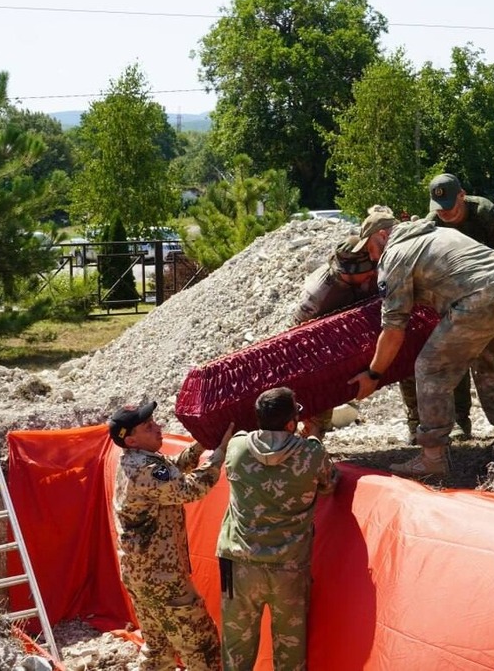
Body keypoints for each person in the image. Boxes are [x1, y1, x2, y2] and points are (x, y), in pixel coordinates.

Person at [348, 210, 494, 477]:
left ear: (383, 235)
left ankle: (433, 457)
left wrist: (374, 373)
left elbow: (393, 329)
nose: (373, 257)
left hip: (481, 298)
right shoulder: (437, 233)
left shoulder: (395, 255)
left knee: (430, 368)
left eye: (371, 249)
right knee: (489, 362)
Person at [217, 387, 338, 671]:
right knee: (290, 649)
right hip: (289, 567)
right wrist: (314, 436)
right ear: (290, 423)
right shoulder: (311, 454)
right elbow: (330, 484)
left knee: (236, 648)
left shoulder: (238, 447)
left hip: (239, 563)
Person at [111, 402, 230, 671]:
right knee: (203, 648)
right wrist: (219, 454)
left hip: (141, 575)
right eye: (148, 426)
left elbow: (174, 468)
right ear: (131, 440)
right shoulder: (144, 468)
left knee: (159, 649)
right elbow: (189, 489)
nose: (158, 427)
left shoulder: (137, 460)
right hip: (162, 579)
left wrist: (202, 444)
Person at [424, 173, 494, 439]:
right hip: (453, 298)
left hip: (493, 289)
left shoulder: (483, 212)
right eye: (440, 208)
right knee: (455, 356)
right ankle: (460, 420)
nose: (445, 213)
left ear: (462, 195)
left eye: (450, 206)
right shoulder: (432, 223)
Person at [292, 235, 422, 444]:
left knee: (410, 361)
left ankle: (419, 427)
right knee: (322, 381)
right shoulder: (318, 296)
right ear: (346, 274)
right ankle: (313, 440)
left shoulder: (375, 271)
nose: (372, 275)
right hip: (332, 347)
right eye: (367, 273)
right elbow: (297, 337)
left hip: (379, 331)